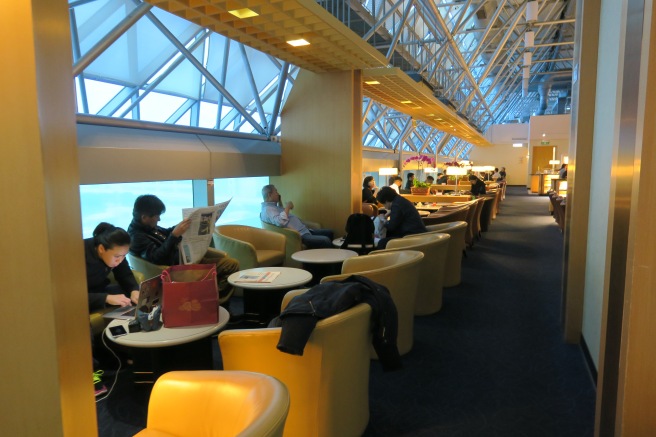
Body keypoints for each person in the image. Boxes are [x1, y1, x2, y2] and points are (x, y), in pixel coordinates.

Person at [127, 194, 239, 302]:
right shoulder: (136, 237)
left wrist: (185, 225)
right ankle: (213, 303)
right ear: (144, 217)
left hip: (184, 260)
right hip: (178, 270)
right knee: (230, 266)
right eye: (156, 216)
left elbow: (166, 232)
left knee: (230, 263)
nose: (159, 219)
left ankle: (211, 302)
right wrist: (174, 236)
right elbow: (157, 257)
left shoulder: (148, 226)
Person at [86, 222, 139, 312]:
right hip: (82, 297)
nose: (120, 260)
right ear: (101, 249)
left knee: (131, 297)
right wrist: (106, 298)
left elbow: (124, 274)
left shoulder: (117, 252)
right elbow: (70, 294)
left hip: (100, 289)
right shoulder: (79, 255)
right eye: (117, 256)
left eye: (124, 256)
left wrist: (134, 290)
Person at [260, 184, 334, 249]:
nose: (278, 194)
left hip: (304, 231)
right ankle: (330, 263)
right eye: (276, 192)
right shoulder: (268, 210)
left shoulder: (273, 207)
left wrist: (280, 203)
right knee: (325, 240)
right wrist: (288, 207)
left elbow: (279, 215)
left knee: (329, 232)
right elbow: (280, 222)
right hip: (299, 236)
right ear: (269, 195)